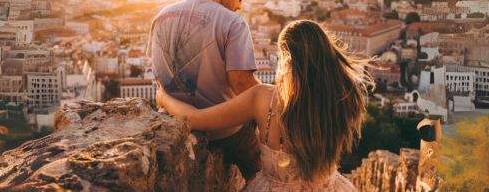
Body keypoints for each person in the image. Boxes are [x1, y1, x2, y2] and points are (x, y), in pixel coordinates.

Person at [156, 20, 374, 191]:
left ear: (287, 58)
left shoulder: (263, 98)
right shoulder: (345, 96)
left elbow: (196, 119)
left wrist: (164, 98)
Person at [149, 0, 261, 180]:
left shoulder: (161, 17)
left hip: (173, 122)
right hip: (224, 132)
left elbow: (158, 75)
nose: (240, 4)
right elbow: (242, 85)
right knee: (264, 172)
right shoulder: (232, 23)